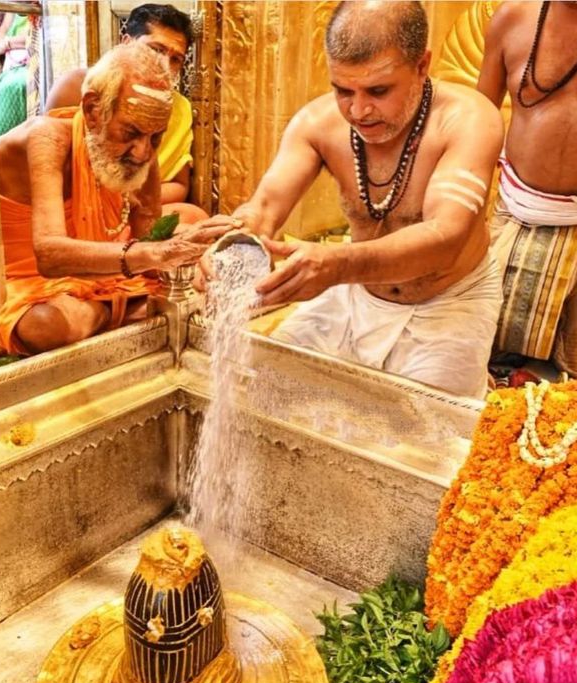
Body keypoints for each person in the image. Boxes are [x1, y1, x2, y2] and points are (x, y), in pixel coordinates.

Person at [203, 0, 505, 400]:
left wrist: (335, 266)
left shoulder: (467, 119)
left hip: (448, 303)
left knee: (424, 440)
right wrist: (229, 249)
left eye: (378, 91)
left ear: (421, 66)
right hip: (355, 293)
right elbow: (262, 209)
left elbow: (445, 236)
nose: (359, 110)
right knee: (267, 391)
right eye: (343, 90)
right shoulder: (317, 124)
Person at [0, 42, 238, 355]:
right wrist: (155, 254)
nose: (143, 152)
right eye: (131, 133)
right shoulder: (47, 138)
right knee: (44, 326)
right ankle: (119, 313)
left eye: (155, 136)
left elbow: (147, 237)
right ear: (93, 110)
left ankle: (109, 313)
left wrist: (192, 252)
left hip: (106, 281)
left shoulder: (144, 150)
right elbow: (50, 255)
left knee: (198, 237)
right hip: (33, 282)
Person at [478, 1, 577, 381]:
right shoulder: (511, 17)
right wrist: (465, 220)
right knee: (484, 340)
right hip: (520, 207)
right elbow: (476, 122)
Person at [45, 4, 205, 225]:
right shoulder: (75, 86)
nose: (165, 66)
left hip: (132, 205)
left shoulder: (178, 108)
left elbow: (179, 186)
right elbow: (53, 170)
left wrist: (127, 199)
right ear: (126, 43)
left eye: (176, 59)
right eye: (156, 50)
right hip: (75, 209)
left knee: (193, 216)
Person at [0, 13, 30, 136]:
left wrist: (7, 43)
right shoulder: (12, 10)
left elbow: (35, 38)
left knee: (14, 86)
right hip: (10, 65)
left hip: (32, 64)